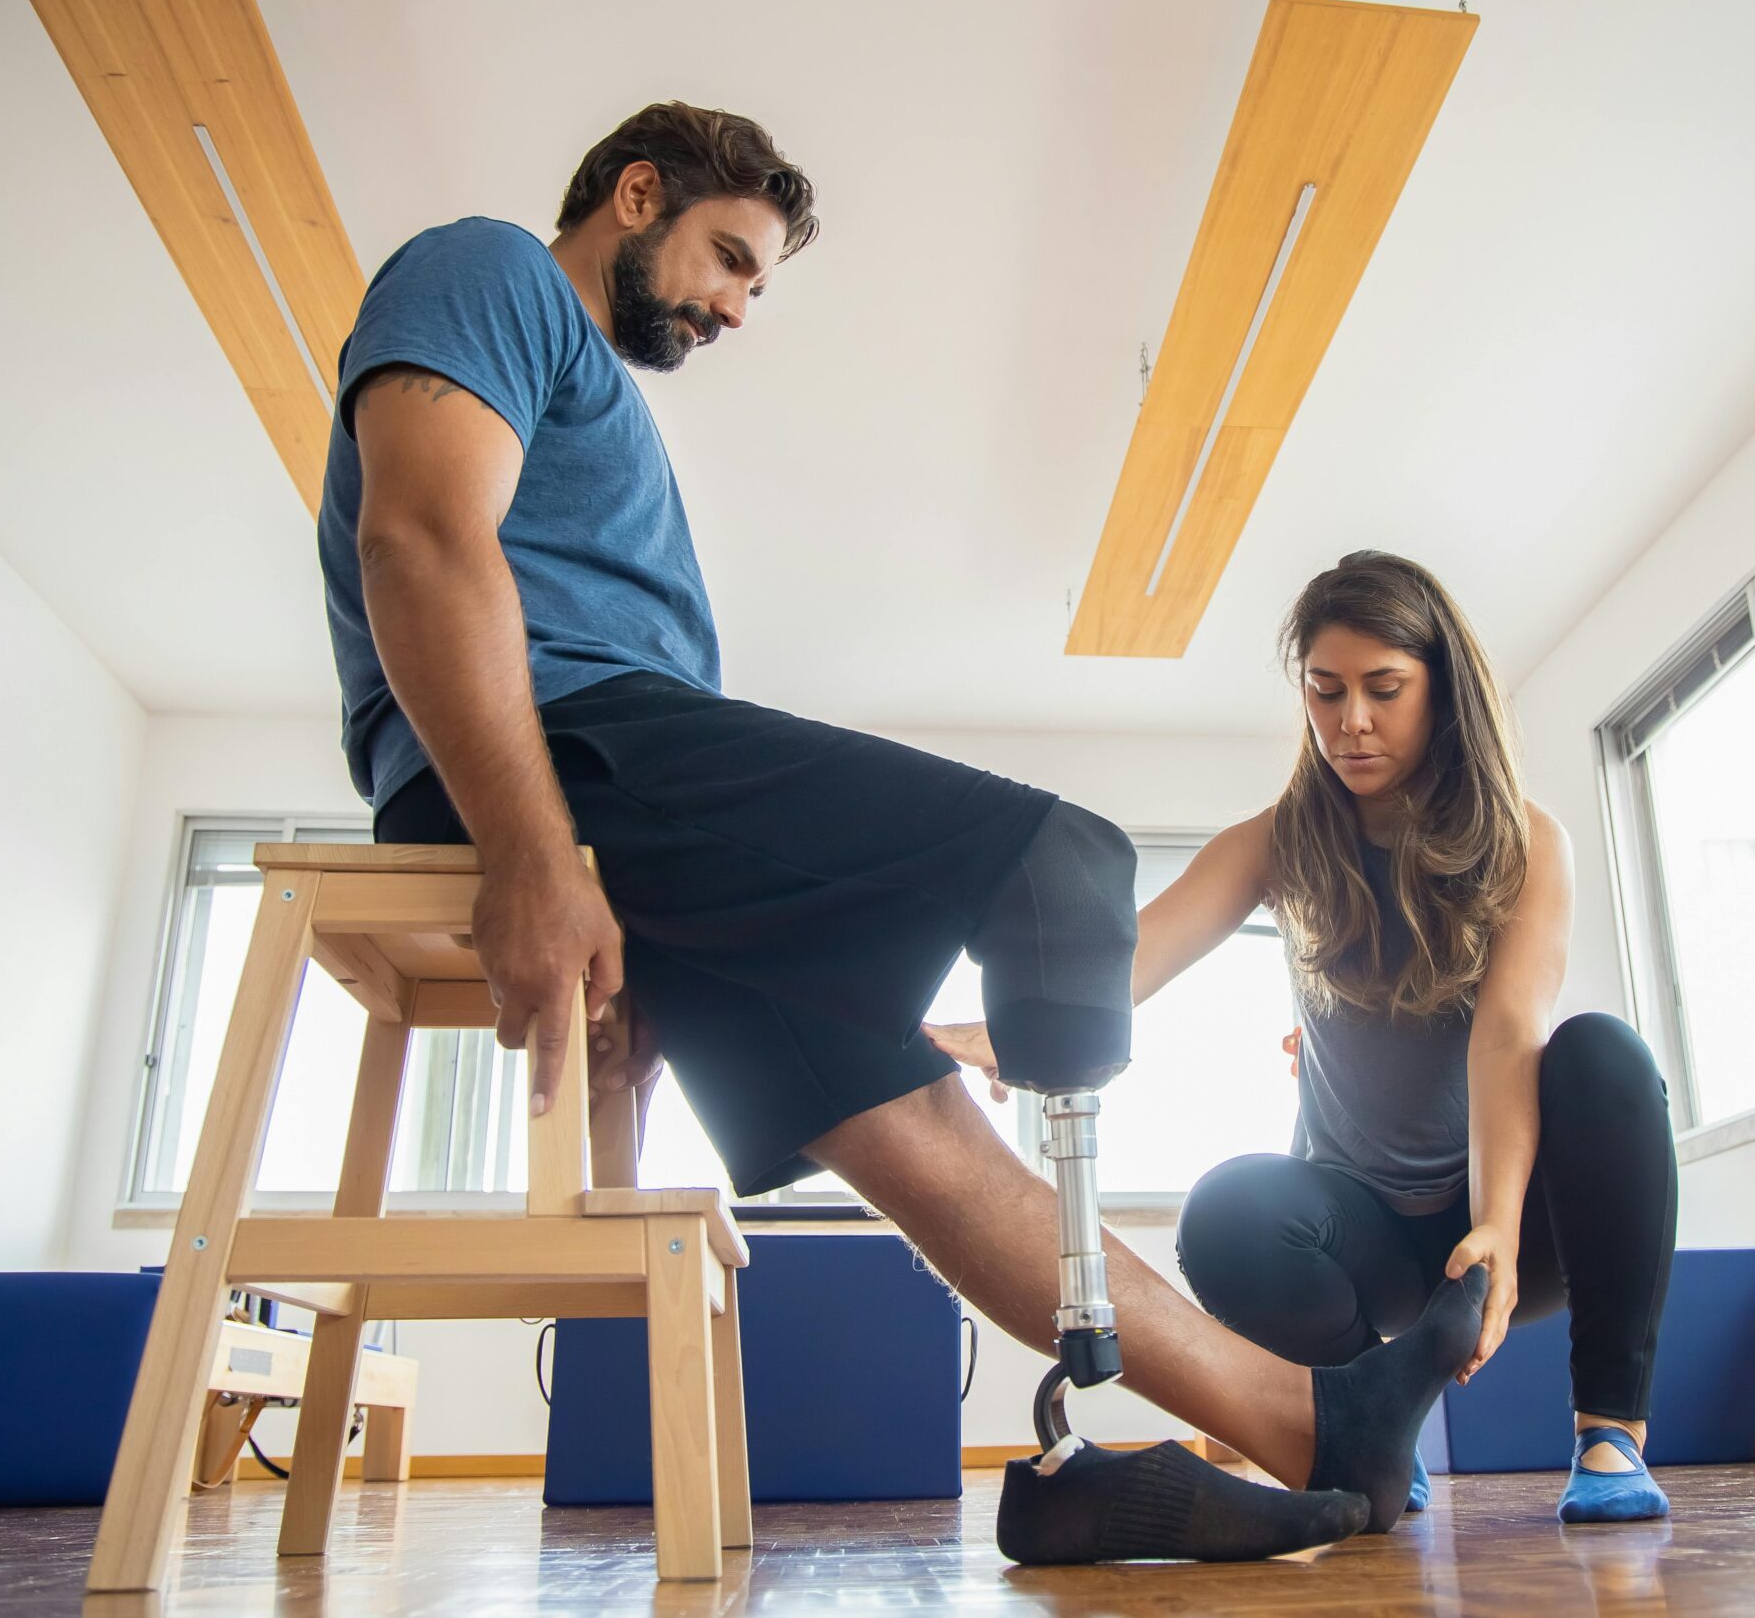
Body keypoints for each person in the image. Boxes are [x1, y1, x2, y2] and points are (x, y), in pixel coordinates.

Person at [316, 101, 1480, 1560]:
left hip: (622, 801)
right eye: (730, 258)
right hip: (557, 755)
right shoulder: (485, 269)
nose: (739, 304)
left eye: (755, 281)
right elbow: (416, 539)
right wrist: (539, 855)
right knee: (1069, 862)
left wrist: (673, 915)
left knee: (919, 1113)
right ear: (635, 194)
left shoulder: (599, 416)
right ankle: (1210, 1385)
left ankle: (1314, 1420)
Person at [932, 551, 1680, 1524]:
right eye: (1324, 693)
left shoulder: (1527, 843)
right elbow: (1132, 959)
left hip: (1503, 1222)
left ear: (1441, 691)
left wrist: (1494, 1223)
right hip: (1358, 1235)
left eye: (1383, 690)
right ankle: (1363, 1427)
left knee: (1603, 1056)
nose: (1350, 722)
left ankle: (1610, 1437)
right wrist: (1003, 1031)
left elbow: (1506, 1037)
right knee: (1224, 1211)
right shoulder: (1278, 840)